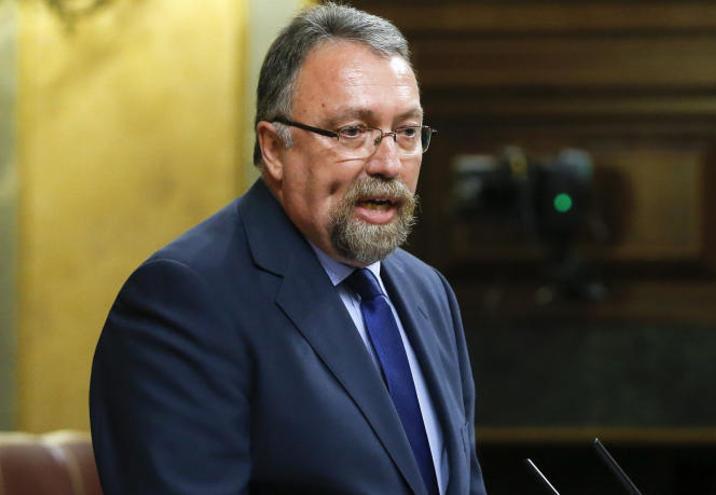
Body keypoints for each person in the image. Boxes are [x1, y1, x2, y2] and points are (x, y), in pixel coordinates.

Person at [89, 3, 487, 494]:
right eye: (352, 131)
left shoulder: (428, 291)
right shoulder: (183, 299)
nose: (389, 162)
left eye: (406, 132)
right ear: (275, 148)